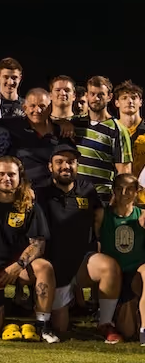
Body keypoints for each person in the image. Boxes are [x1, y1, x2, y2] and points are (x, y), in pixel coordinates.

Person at [35, 144, 122, 342]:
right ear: (50, 167)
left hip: (83, 261)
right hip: (55, 266)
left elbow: (98, 213)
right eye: (60, 162)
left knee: (109, 267)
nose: (66, 166)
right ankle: (61, 307)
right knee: (60, 328)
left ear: (77, 165)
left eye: (71, 162)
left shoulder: (87, 188)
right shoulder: (40, 192)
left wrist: (96, 239)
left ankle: (105, 323)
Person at [0, 157, 58, 342]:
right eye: (1, 173)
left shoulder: (29, 204)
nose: (6, 178)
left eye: (12, 174)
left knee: (44, 267)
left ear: (20, 177)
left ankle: (43, 325)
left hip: (19, 266)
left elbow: (38, 244)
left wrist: (18, 265)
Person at [99, 173, 145, 343]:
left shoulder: (142, 216)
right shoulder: (102, 216)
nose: (124, 193)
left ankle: (144, 330)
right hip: (114, 278)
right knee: (127, 332)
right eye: (119, 189)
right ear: (113, 191)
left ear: (137, 191)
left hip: (137, 274)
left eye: (129, 189)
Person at [72, 76, 132, 202]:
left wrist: (117, 201)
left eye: (101, 94)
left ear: (109, 97)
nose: (96, 98)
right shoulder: (75, 124)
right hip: (74, 197)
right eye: (92, 94)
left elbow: (124, 172)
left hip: (101, 199)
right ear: (87, 95)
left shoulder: (118, 130)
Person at [0, 88, 61, 190]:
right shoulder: (13, 125)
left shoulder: (60, 131)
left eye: (42, 106)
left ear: (49, 108)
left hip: (53, 192)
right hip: (22, 190)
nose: (37, 110)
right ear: (24, 108)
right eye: (32, 106)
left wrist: (65, 123)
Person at [113, 81, 145, 178]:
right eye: (124, 98)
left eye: (134, 97)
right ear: (117, 102)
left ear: (140, 102)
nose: (130, 101)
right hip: (117, 189)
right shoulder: (111, 129)